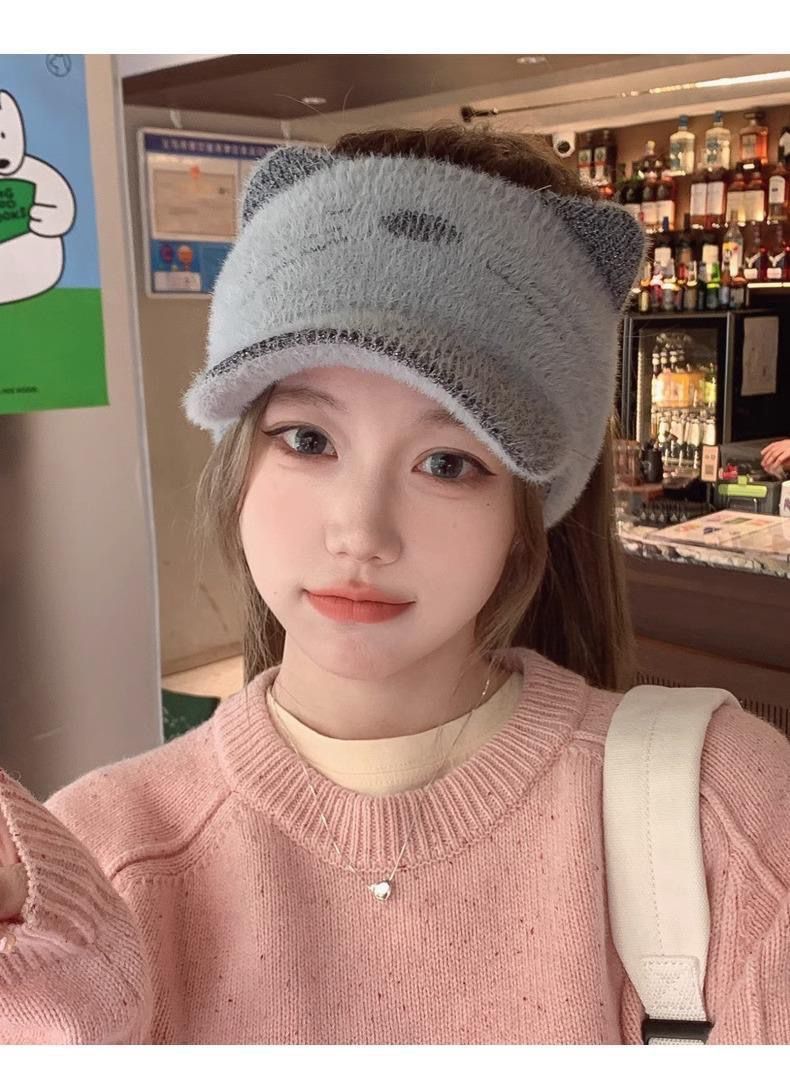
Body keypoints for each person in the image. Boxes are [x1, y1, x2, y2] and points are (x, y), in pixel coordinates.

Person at [1, 124, 789, 1045]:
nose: (361, 532)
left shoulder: (724, 816)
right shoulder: (93, 866)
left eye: (448, 462)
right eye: (308, 440)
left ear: (530, 510)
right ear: (240, 460)